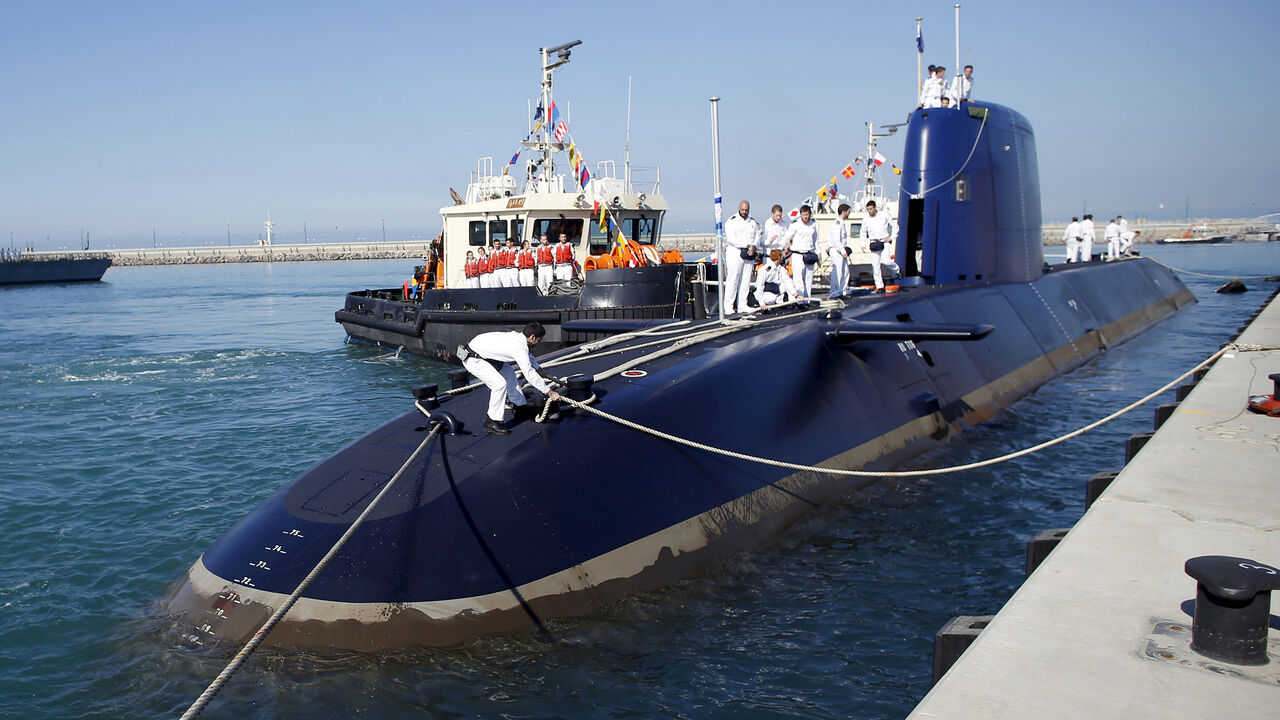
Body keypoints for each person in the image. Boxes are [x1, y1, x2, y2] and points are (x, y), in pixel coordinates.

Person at [458, 322, 562, 436]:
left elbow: (527, 355)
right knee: (499, 384)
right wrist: (550, 392)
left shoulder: (518, 338)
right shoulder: (519, 347)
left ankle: (520, 408)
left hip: (485, 355)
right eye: (539, 340)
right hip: (473, 359)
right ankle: (491, 421)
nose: (538, 343)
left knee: (509, 373)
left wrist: (538, 368)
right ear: (532, 337)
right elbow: (529, 374)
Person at [723, 200, 763, 314]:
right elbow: (731, 238)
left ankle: (742, 305)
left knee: (746, 279)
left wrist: (754, 246)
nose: (744, 212)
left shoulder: (753, 222)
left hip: (749, 253)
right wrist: (747, 245)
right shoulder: (732, 221)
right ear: (739, 208)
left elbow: (758, 235)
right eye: (742, 210)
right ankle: (729, 306)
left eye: (746, 210)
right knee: (733, 279)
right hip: (735, 251)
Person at [860, 200, 898, 293]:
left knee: (886, 261)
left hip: (884, 241)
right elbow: (863, 232)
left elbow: (894, 225)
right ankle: (880, 286)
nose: (869, 211)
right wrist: (863, 244)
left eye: (871, 209)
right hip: (874, 242)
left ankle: (897, 270)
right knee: (875, 265)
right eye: (868, 209)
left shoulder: (884, 215)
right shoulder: (866, 219)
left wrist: (892, 237)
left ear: (875, 208)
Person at [782, 204, 818, 300]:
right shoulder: (795, 225)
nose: (805, 217)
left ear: (810, 214)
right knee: (798, 279)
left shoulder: (813, 225)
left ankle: (807, 299)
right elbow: (786, 238)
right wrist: (783, 250)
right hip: (798, 254)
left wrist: (818, 252)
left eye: (807, 215)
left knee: (808, 279)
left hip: (809, 254)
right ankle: (799, 300)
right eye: (803, 215)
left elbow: (815, 239)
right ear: (800, 215)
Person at [827, 203, 852, 299]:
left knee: (845, 272)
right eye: (848, 211)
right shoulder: (837, 224)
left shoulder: (842, 223)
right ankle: (834, 292)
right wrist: (842, 251)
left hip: (841, 250)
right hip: (836, 250)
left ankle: (842, 291)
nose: (849, 213)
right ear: (844, 212)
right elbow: (836, 240)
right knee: (837, 272)